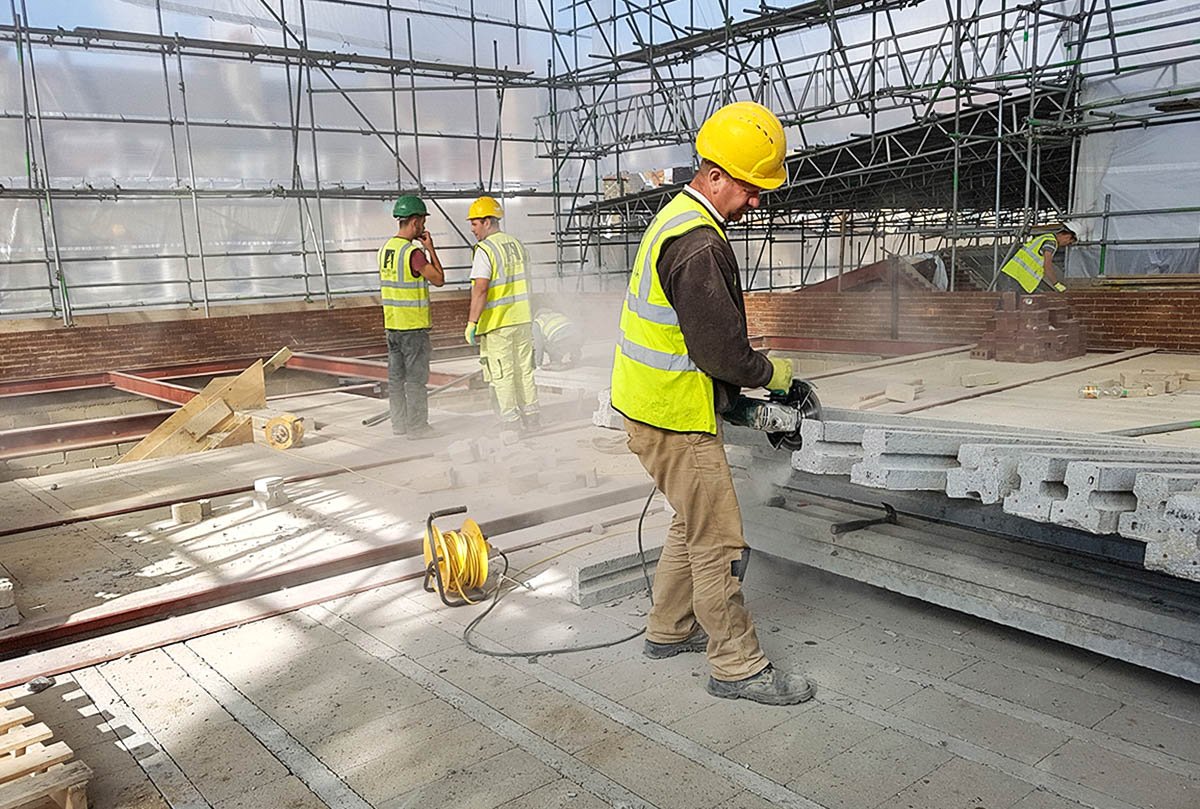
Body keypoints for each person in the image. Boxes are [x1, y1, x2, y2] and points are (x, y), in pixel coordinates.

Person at [609, 101, 813, 706]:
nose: (756, 203)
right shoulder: (698, 244)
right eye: (752, 189)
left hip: (650, 407)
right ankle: (737, 665)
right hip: (675, 416)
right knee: (720, 539)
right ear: (715, 174)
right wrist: (776, 377)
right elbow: (722, 353)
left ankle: (668, 629)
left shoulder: (675, 216)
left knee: (690, 521)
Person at [463, 196, 540, 433]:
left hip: (498, 323)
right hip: (522, 319)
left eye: (475, 223)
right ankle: (533, 416)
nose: (472, 229)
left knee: (503, 373)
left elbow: (481, 288)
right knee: (524, 370)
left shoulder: (485, 250)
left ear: (487, 222)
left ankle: (511, 422)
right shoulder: (516, 244)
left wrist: (472, 322)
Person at [379, 196, 445, 437]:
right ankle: (417, 427)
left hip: (392, 326)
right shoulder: (413, 253)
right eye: (423, 221)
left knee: (396, 381)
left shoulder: (386, 249)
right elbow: (438, 279)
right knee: (416, 380)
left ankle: (399, 425)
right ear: (415, 222)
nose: (424, 226)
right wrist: (430, 249)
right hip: (413, 328)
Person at [996, 222, 1080, 294]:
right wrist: (1056, 284)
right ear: (1067, 236)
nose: (1066, 244)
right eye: (1069, 242)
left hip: (1014, 277)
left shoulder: (1046, 237)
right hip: (1015, 278)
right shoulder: (1051, 243)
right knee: (1011, 306)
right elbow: (1047, 266)